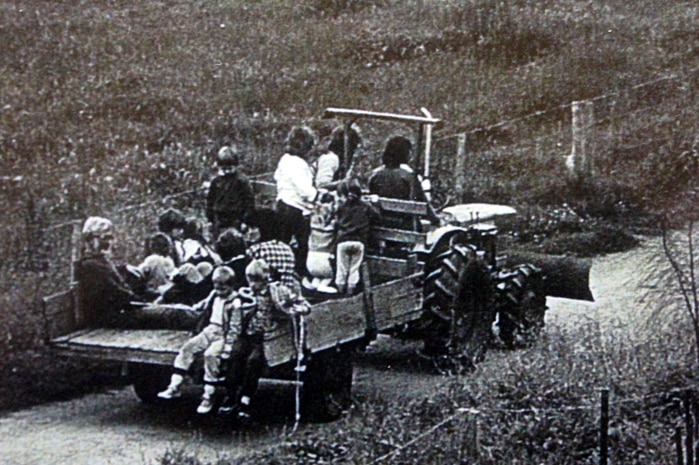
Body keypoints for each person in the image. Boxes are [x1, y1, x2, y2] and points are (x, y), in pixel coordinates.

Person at [219, 259, 311, 419]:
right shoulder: (245, 294)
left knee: (254, 361)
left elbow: (304, 305)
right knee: (234, 356)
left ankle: (246, 398)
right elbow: (236, 318)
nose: (253, 284)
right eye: (250, 280)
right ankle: (231, 395)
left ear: (266, 278)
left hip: (267, 336)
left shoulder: (278, 291)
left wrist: (294, 309)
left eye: (257, 280)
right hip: (248, 334)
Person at [75, 216, 199, 330]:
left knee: (176, 305)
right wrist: (147, 302)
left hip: (122, 310)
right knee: (175, 313)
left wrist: (124, 267)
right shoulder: (92, 264)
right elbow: (118, 294)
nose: (109, 242)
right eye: (105, 238)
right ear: (91, 239)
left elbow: (114, 279)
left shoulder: (98, 260)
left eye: (110, 237)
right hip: (114, 316)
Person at [157, 266, 242, 414]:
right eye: (216, 287)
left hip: (223, 334)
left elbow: (235, 326)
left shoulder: (235, 302)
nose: (219, 290)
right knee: (187, 348)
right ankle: (174, 385)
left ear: (231, 286)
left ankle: (209, 394)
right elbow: (201, 306)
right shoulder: (214, 295)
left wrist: (228, 345)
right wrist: (190, 309)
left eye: (223, 288)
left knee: (210, 355)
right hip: (209, 330)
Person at [368, 135, 439, 230]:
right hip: (405, 227)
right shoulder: (408, 176)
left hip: (380, 224)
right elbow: (423, 205)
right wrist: (436, 220)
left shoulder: (375, 175)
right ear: (405, 154)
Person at [274, 126, 319, 276]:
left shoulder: (284, 160)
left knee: (283, 240)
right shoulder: (299, 164)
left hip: (282, 203)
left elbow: (276, 177)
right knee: (303, 241)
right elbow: (304, 189)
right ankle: (300, 272)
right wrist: (317, 196)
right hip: (294, 208)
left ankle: (281, 270)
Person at [334, 179, 379, 295]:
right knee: (354, 269)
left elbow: (337, 221)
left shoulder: (341, 207)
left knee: (342, 269)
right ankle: (351, 292)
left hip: (343, 241)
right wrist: (375, 204)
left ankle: (340, 293)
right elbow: (377, 216)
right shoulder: (365, 206)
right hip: (359, 241)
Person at [244, 208, 300, 294]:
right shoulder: (287, 248)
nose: (250, 232)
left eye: (254, 228)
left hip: (266, 296)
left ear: (264, 228)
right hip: (287, 295)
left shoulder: (256, 250)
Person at [205, 145, 256, 240]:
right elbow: (210, 200)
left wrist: (246, 221)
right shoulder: (216, 181)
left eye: (230, 168)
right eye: (224, 168)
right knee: (219, 242)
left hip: (236, 218)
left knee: (236, 241)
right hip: (219, 219)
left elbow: (249, 202)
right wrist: (210, 219)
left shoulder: (241, 181)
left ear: (235, 166)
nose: (227, 171)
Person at [304, 191, 337, 293]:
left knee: (317, 275)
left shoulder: (313, 221)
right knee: (328, 275)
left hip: (311, 259)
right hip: (326, 259)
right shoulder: (333, 222)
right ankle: (324, 284)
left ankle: (315, 283)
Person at [137, 232, 177, 299]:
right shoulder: (170, 261)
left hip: (154, 292)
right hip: (165, 291)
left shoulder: (153, 259)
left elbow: (139, 273)